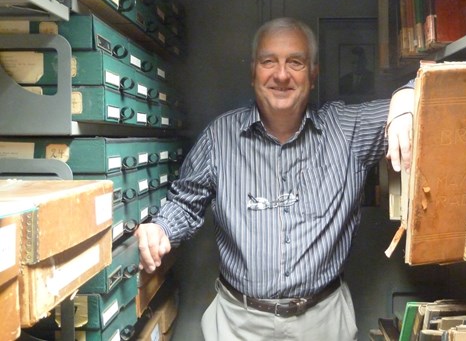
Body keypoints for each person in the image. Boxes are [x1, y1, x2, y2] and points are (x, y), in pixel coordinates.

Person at [135, 17, 414, 341]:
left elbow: (436, 86)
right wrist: (161, 227)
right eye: (270, 61)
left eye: (294, 62)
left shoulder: (347, 130)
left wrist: (406, 98)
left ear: (313, 73)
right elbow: (185, 202)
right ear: (254, 71)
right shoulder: (220, 137)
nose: (281, 75)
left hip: (323, 321)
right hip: (237, 324)